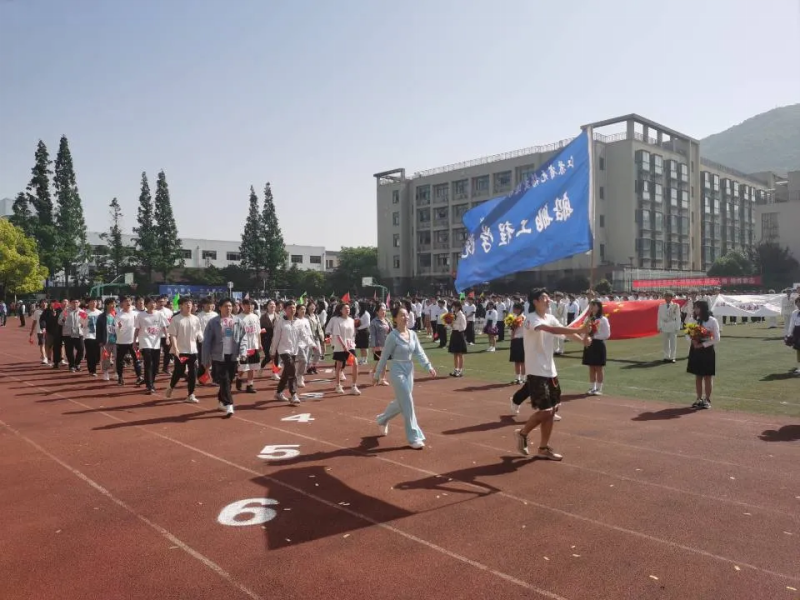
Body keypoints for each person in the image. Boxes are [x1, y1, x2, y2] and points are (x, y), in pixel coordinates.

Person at [514, 289, 590, 461]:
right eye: (544, 298)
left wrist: (583, 341)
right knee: (546, 410)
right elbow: (551, 330)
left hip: (550, 370)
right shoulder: (530, 319)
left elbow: (564, 332)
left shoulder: (550, 317)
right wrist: (581, 328)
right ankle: (522, 433)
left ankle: (543, 448)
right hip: (536, 371)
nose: (548, 300)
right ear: (535, 301)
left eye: (548, 298)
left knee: (553, 409)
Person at [373, 307, 437, 449]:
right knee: (407, 401)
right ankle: (414, 437)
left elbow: (419, 352)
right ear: (395, 318)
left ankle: (382, 419)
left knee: (401, 401)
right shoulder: (392, 336)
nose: (406, 317)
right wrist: (377, 375)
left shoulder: (412, 334)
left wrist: (428, 366)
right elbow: (384, 357)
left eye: (407, 315)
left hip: (409, 369)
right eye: (402, 315)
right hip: (397, 370)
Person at [201, 298, 244, 417]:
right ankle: (229, 404)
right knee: (224, 380)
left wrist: (243, 352)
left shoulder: (237, 321)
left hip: (233, 355)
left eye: (230, 306)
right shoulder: (213, 322)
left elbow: (243, 338)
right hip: (219, 356)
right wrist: (206, 360)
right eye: (225, 306)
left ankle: (221, 401)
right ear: (220, 308)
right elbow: (207, 342)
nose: (228, 308)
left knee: (229, 380)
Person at [269, 300, 309, 405]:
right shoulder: (280, 322)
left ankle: (278, 392)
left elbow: (304, 336)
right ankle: (293, 394)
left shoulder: (299, 322)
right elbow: (276, 338)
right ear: (285, 310)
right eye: (290, 308)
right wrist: (273, 351)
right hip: (283, 350)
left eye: (294, 307)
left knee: (286, 373)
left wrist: (312, 344)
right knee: (292, 370)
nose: (292, 310)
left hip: (294, 350)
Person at [686, 300, 721, 410]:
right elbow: (687, 334)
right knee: (698, 376)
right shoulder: (692, 320)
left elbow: (717, 338)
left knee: (707, 376)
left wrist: (703, 344)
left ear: (703, 308)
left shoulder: (712, 321)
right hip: (695, 350)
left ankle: (707, 399)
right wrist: (693, 341)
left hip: (707, 351)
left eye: (697, 307)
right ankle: (698, 398)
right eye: (695, 308)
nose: (695, 310)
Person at [134, 296, 169, 394]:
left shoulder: (159, 314)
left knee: (156, 365)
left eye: (154, 303)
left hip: (156, 342)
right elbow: (137, 329)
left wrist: (167, 337)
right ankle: (150, 385)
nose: (153, 305)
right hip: (145, 341)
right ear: (146, 305)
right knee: (148, 362)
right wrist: (134, 341)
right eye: (150, 303)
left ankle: (150, 381)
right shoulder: (141, 315)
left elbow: (164, 327)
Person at [582, 300, 611, 396]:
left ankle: (599, 388)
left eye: (593, 305)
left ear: (598, 307)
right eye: (590, 305)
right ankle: (592, 387)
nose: (591, 307)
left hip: (598, 344)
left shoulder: (603, 319)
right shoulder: (587, 318)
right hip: (589, 344)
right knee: (591, 366)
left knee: (598, 367)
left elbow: (607, 334)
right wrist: (585, 338)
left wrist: (594, 337)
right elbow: (583, 330)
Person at [368, 304, 392, 386]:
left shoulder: (387, 320)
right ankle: (375, 374)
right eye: (381, 310)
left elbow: (391, 331)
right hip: (378, 344)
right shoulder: (374, 322)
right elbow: (372, 335)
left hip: (387, 344)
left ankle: (382, 378)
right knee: (381, 361)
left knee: (384, 362)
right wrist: (373, 346)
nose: (383, 312)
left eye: (384, 310)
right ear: (377, 312)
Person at [657, 291, 681, 363]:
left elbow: (678, 317)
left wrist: (678, 327)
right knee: (665, 342)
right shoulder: (661, 306)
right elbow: (659, 317)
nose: (666, 298)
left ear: (671, 297)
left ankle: (672, 357)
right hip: (664, 325)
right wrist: (659, 326)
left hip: (672, 324)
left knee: (673, 342)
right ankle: (666, 356)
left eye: (668, 296)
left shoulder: (675, 306)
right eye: (665, 296)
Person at [448, 300, 467, 377]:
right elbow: (451, 325)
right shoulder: (453, 314)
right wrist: (450, 325)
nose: (453, 308)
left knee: (460, 353)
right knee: (455, 353)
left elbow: (464, 327)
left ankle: (460, 370)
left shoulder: (461, 315)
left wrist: (455, 326)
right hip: (454, 334)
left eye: (454, 306)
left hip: (459, 334)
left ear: (458, 307)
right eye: (453, 307)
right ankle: (456, 369)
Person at [785, 296, 800, 375]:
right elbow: (791, 324)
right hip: (797, 331)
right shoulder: (794, 312)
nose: (799, 305)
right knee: (799, 350)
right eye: (797, 303)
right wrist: (789, 334)